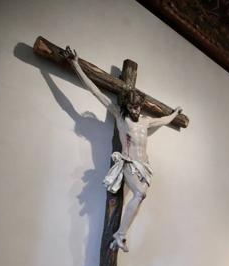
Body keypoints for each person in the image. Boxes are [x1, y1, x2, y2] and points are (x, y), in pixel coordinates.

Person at [61, 47, 182, 252]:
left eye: (138, 107)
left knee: (141, 196)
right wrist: (76, 65)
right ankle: (121, 234)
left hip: (143, 166)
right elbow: (95, 91)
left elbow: (162, 120)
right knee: (140, 194)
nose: (136, 110)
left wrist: (175, 114)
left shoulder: (144, 122)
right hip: (128, 163)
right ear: (127, 105)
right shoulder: (120, 116)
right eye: (133, 107)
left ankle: (120, 234)